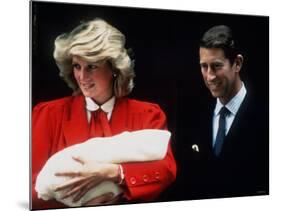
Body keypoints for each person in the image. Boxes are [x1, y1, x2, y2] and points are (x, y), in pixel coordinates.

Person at [32, 18, 177, 209]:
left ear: (114, 68)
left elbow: (167, 170)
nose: (82, 77)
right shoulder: (47, 114)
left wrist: (115, 173)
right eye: (77, 66)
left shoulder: (147, 115)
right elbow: (25, 184)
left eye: (91, 66)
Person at [175, 25, 268, 200]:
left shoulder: (267, 117)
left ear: (237, 63)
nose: (210, 76)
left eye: (216, 66)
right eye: (204, 66)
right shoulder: (193, 115)